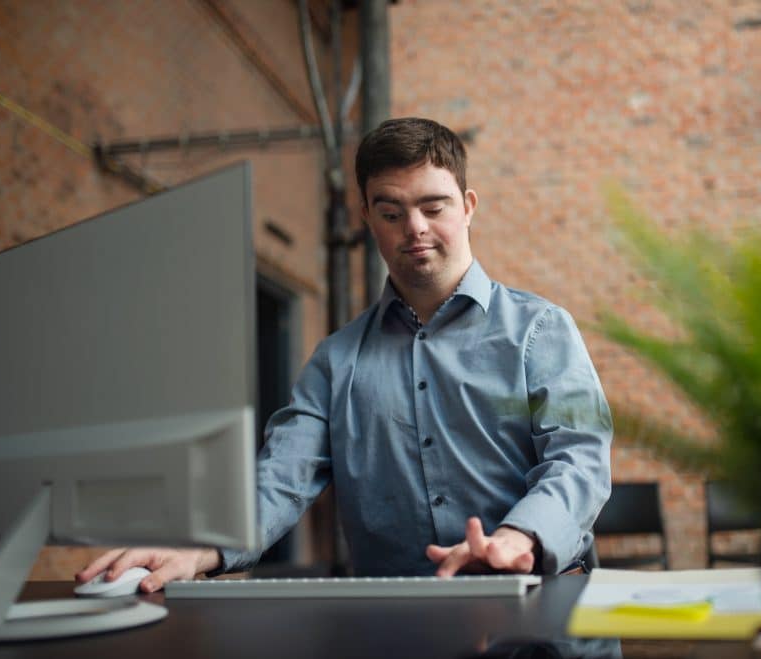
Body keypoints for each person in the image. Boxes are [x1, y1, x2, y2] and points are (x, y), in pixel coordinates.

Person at [77, 117, 612, 592]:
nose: (416, 228)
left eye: (434, 206)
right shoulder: (336, 361)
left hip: (546, 609)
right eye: (392, 211)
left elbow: (580, 459)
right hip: (398, 630)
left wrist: (519, 538)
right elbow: (281, 476)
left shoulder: (541, 331)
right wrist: (200, 548)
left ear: (468, 207)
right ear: (367, 218)